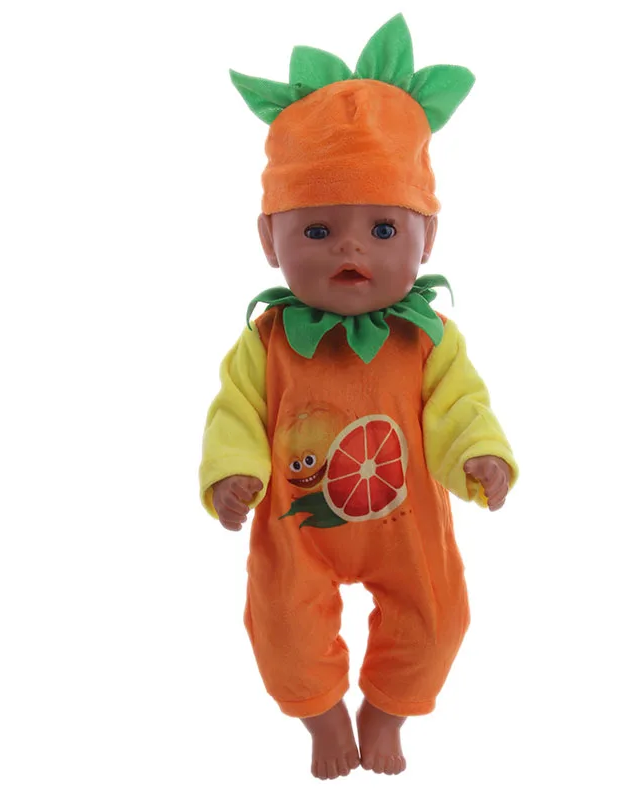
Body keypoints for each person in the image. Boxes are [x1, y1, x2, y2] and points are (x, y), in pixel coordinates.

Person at [199, 13, 519, 780]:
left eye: (383, 229)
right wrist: (232, 471)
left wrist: (479, 453)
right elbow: (235, 411)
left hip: (407, 525)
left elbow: (461, 405)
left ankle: (388, 709)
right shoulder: (268, 341)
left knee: (438, 619)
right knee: (281, 627)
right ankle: (321, 719)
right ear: (269, 240)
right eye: (317, 231)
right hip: (296, 525)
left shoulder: (429, 339)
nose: (351, 246)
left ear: (427, 239)